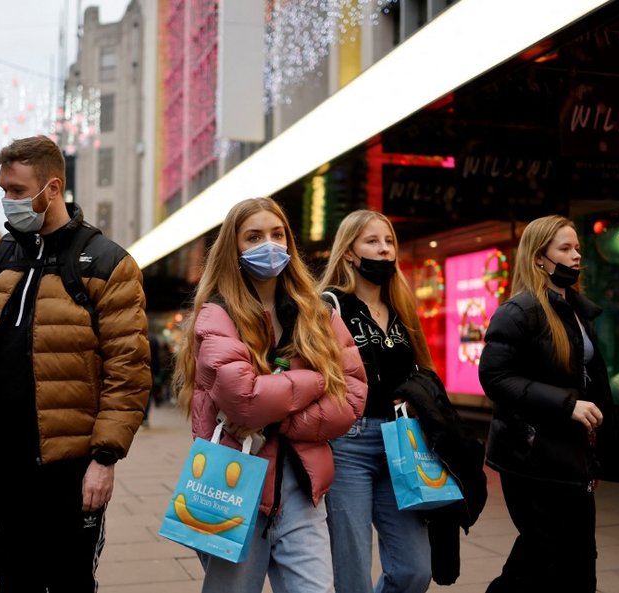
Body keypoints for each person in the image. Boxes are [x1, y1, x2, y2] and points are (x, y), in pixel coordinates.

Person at [0, 135, 151, 592]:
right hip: (3, 468)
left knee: (70, 582)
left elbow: (128, 369)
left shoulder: (107, 262)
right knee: (15, 582)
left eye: (18, 190)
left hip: (69, 468)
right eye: (3, 189)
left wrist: (105, 458)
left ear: (52, 188)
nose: (8, 200)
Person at [172, 197, 367, 593]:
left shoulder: (318, 313)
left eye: (277, 234)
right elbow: (244, 399)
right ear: (234, 248)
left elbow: (351, 398)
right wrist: (316, 379)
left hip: (301, 485)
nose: (270, 245)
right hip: (233, 487)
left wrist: (276, 414)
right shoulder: (215, 315)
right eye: (254, 237)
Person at [478, 215, 619, 593]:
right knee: (543, 556)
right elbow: (496, 378)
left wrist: (594, 456)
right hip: (531, 458)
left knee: (578, 559)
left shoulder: (578, 310)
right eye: (565, 249)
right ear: (539, 259)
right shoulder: (518, 312)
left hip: (573, 455)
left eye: (577, 247)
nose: (577, 255)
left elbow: (590, 383)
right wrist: (568, 406)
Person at [317, 209, 436, 593]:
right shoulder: (329, 305)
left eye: (388, 242)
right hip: (349, 443)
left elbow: (424, 370)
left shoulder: (403, 306)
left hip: (403, 443)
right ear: (349, 252)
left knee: (414, 571)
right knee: (352, 576)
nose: (384, 250)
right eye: (372, 241)